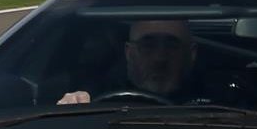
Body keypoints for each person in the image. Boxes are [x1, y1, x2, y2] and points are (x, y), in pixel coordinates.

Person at [58, 18, 197, 104]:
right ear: (129, 53)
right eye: (147, 46)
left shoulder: (214, 97)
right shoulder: (100, 91)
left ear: (191, 54)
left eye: (172, 46)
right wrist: (75, 103)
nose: (159, 58)